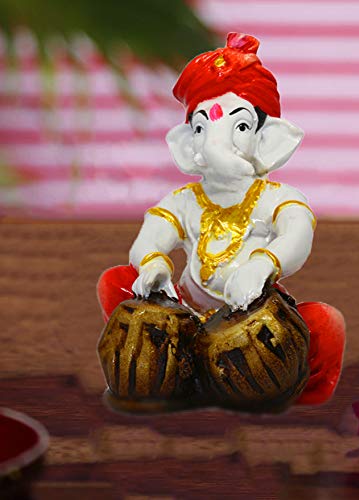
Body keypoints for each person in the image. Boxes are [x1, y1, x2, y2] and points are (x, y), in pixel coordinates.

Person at [97, 32, 345, 405]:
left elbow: (296, 235)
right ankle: (165, 370)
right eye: (202, 128)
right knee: (115, 283)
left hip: (254, 318)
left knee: (324, 323)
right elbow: (151, 236)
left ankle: (284, 386)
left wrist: (263, 265)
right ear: (186, 143)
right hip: (186, 319)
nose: (214, 141)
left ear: (269, 140)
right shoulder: (184, 201)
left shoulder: (278, 199)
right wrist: (152, 263)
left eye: (240, 126)